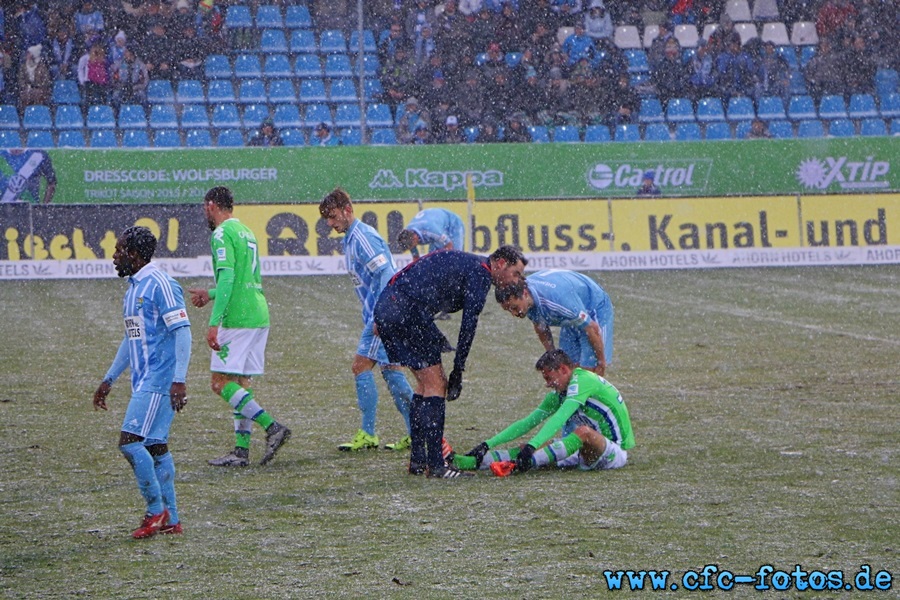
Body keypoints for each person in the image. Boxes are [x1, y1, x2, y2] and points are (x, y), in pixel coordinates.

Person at [373, 245, 528, 478]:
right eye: (515, 273)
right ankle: (437, 465)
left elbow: (411, 272)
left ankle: (418, 460)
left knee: (424, 385)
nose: (516, 280)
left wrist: (384, 311)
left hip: (393, 305)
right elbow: (469, 324)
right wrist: (458, 369)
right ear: (500, 264)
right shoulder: (480, 274)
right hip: (407, 311)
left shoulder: (469, 263)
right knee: (436, 385)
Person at [92, 226, 191, 538]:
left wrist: (179, 381)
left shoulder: (161, 284)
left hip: (159, 380)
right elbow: (130, 338)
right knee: (155, 445)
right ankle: (172, 518)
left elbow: (183, 332)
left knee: (130, 443)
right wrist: (109, 379)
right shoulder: (134, 288)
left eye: (120, 251)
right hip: (146, 380)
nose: (114, 256)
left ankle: (155, 509)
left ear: (134, 255)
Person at [187, 186, 291, 467]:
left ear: (211, 205)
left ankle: (272, 427)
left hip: (238, 317)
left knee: (220, 383)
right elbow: (243, 278)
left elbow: (229, 279)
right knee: (241, 385)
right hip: (258, 313)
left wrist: (213, 323)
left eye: (204, 208)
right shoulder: (245, 231)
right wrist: (209, 294)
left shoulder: (221, 234)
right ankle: (241, 451)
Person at [318, 188, 415, 452]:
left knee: (360, 367)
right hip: (390, 312)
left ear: (348, 210)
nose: (330, 222)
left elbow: (385, 273)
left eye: (333, 216)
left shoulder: (361, 237)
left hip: (385, 315)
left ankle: (368, 433)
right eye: (327, 218)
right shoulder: (351, 237)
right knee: (393, 372)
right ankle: (417, 431)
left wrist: (382, 315)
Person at [455, 349, 633, 474]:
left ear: (563, 369)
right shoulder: (559, 393)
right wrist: (487, 444)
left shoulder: (582, 381)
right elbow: (527, 423)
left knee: (582, 433)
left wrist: (533, 448)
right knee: (529, 447)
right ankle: (467, 462)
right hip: (584, 453)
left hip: (614, 453)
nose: (547, 384)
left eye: (549, 377)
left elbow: (560, 416)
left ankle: (515, 466)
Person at [495, 269, 614, 376]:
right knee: (566, 370)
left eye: (515, 308)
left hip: (593, 308)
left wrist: (601, 361)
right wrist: (551, 353)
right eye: (508, 310)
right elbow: (539, 325)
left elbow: (592, 328)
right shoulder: (525, 300)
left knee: (590, 374)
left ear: (525, 294)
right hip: (571, 315)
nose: (514, 314)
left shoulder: (558, 301)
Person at [397, 208, 466, 259]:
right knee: (431, 260)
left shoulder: (430, 230)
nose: (412, 249)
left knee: (455, 256)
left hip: (453, 224)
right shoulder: (408, 238)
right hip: (436, 224)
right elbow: (415, 258)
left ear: (415, 238)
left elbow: (449, 244)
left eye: (412, 246)